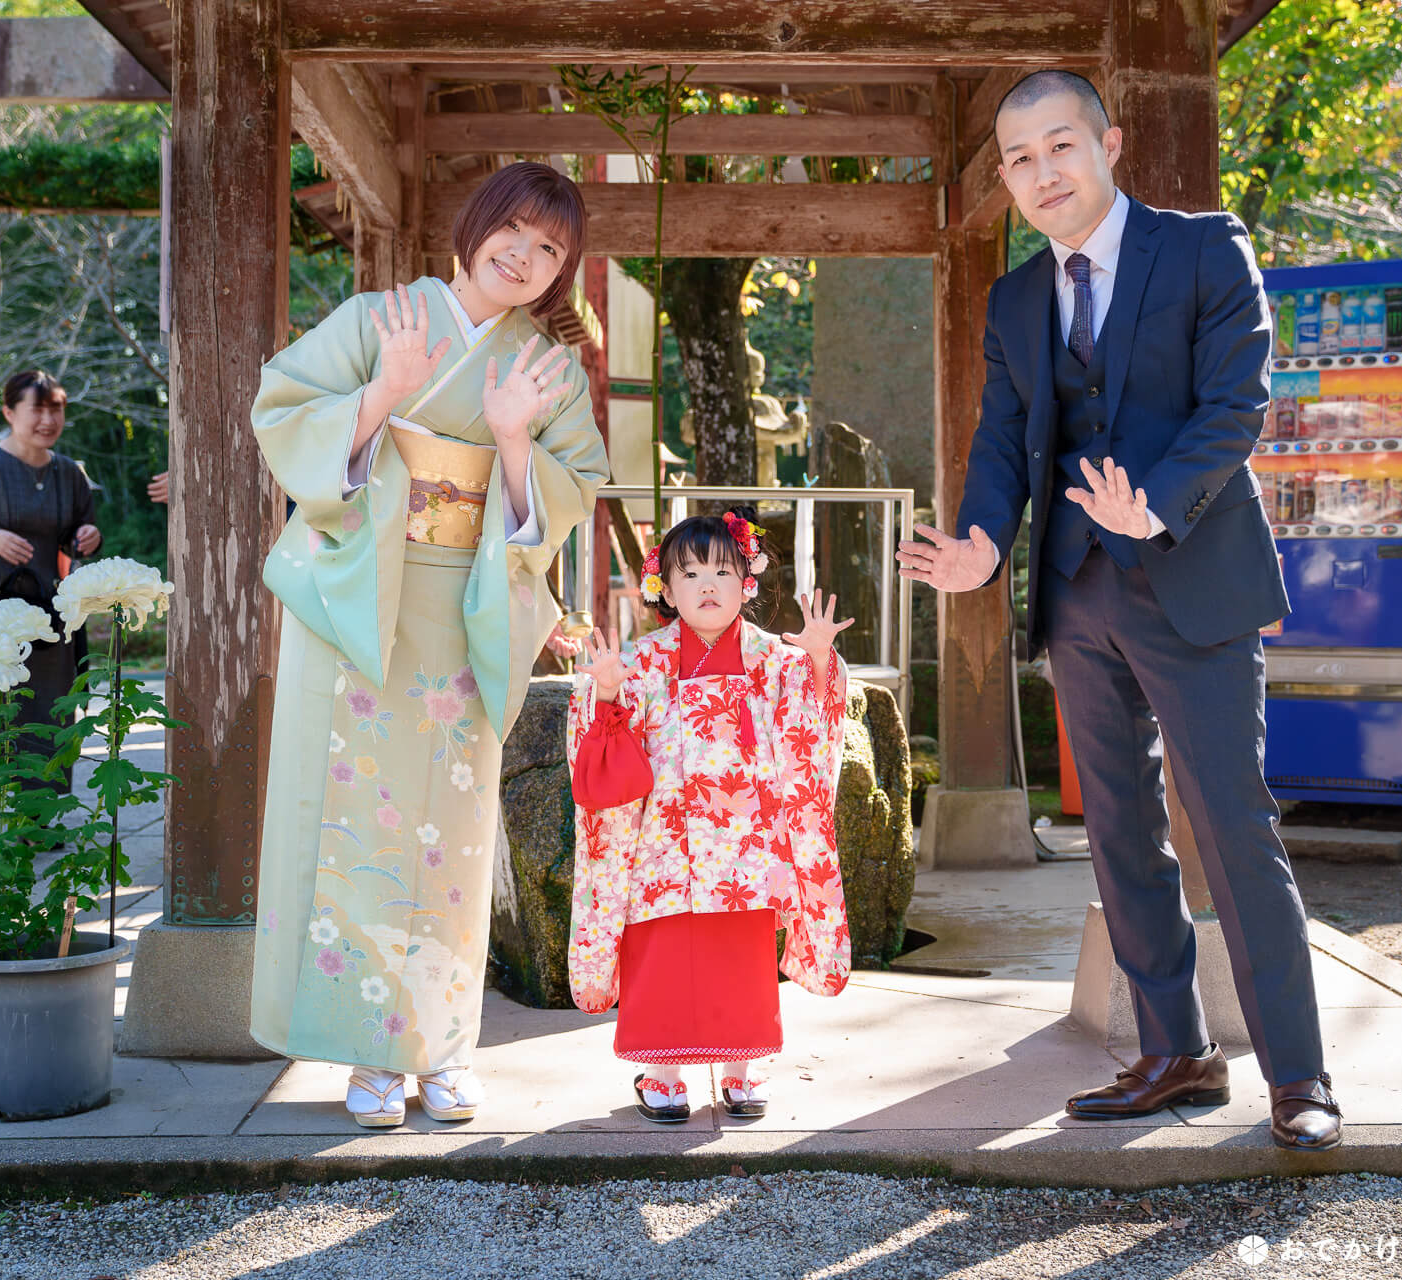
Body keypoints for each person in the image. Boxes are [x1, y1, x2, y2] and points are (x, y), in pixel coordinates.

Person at [896, 71, 1341, 1151]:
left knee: (1234, 829)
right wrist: (983, 545)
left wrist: (1156, 506)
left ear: (1110, 143)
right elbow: (1003, 439)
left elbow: (1238, 401)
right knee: (1118, 834)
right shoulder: (1012, 298)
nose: (1042, 173)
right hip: (1078, 590)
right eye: (1019, 159)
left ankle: (1299, 1076)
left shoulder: (1201, 250)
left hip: (1193, 581)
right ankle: (1172, 1049)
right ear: (1004, 178)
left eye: (1060, 146)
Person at [248, 163, 610, 1128]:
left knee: (448, 837)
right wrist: (386, 393)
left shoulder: (549, 369)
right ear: (474, 225)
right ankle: (370, 1056)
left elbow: (566, 501)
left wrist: (515, 442)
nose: (526, 258)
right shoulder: (383, 321)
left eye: (551, 250)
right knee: (356, 825)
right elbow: (280, 413)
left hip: (466, 608)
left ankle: (444, 1048)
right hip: (359, 599)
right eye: (515, 232)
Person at [567, 510, 852, 1122]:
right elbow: (601, 745)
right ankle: (662, 1072)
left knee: (738, 958)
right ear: (665, 590)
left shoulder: (774, 658)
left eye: (724, 570)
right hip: (661, 840)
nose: (707, 584)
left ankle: (739, 1067)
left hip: (742, 843)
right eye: (689, 572)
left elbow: (811, 730)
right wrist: (609, 692)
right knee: (663, 953)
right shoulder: (641, 660)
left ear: (747, 581)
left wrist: (821, 662)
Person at [0, 369, 102, 795]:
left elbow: (79, 531)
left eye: (56, 409)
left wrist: (88, 537)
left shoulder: (70, 473)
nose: (48, 419)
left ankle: (40, 814)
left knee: (49, 705)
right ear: (10, 412)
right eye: (38, 409)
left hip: (47, 608)